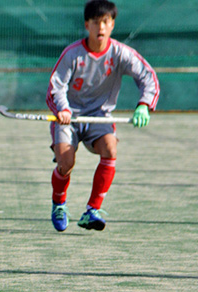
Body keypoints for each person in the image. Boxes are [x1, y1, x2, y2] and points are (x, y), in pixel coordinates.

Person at [47, 0, 159, 232]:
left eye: (106, 22)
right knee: (66, 163)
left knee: (110, 148)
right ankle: (59, 202)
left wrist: (144, 105)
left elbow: (148, 77)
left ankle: (92, 210)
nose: (101, 28)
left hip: (100, 116)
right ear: (87, 25)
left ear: (112, 25)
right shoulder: (72, 54)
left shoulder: (121, 53)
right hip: (69, 116)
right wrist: (63, 109)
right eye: (96, 22)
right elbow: (55, 87)